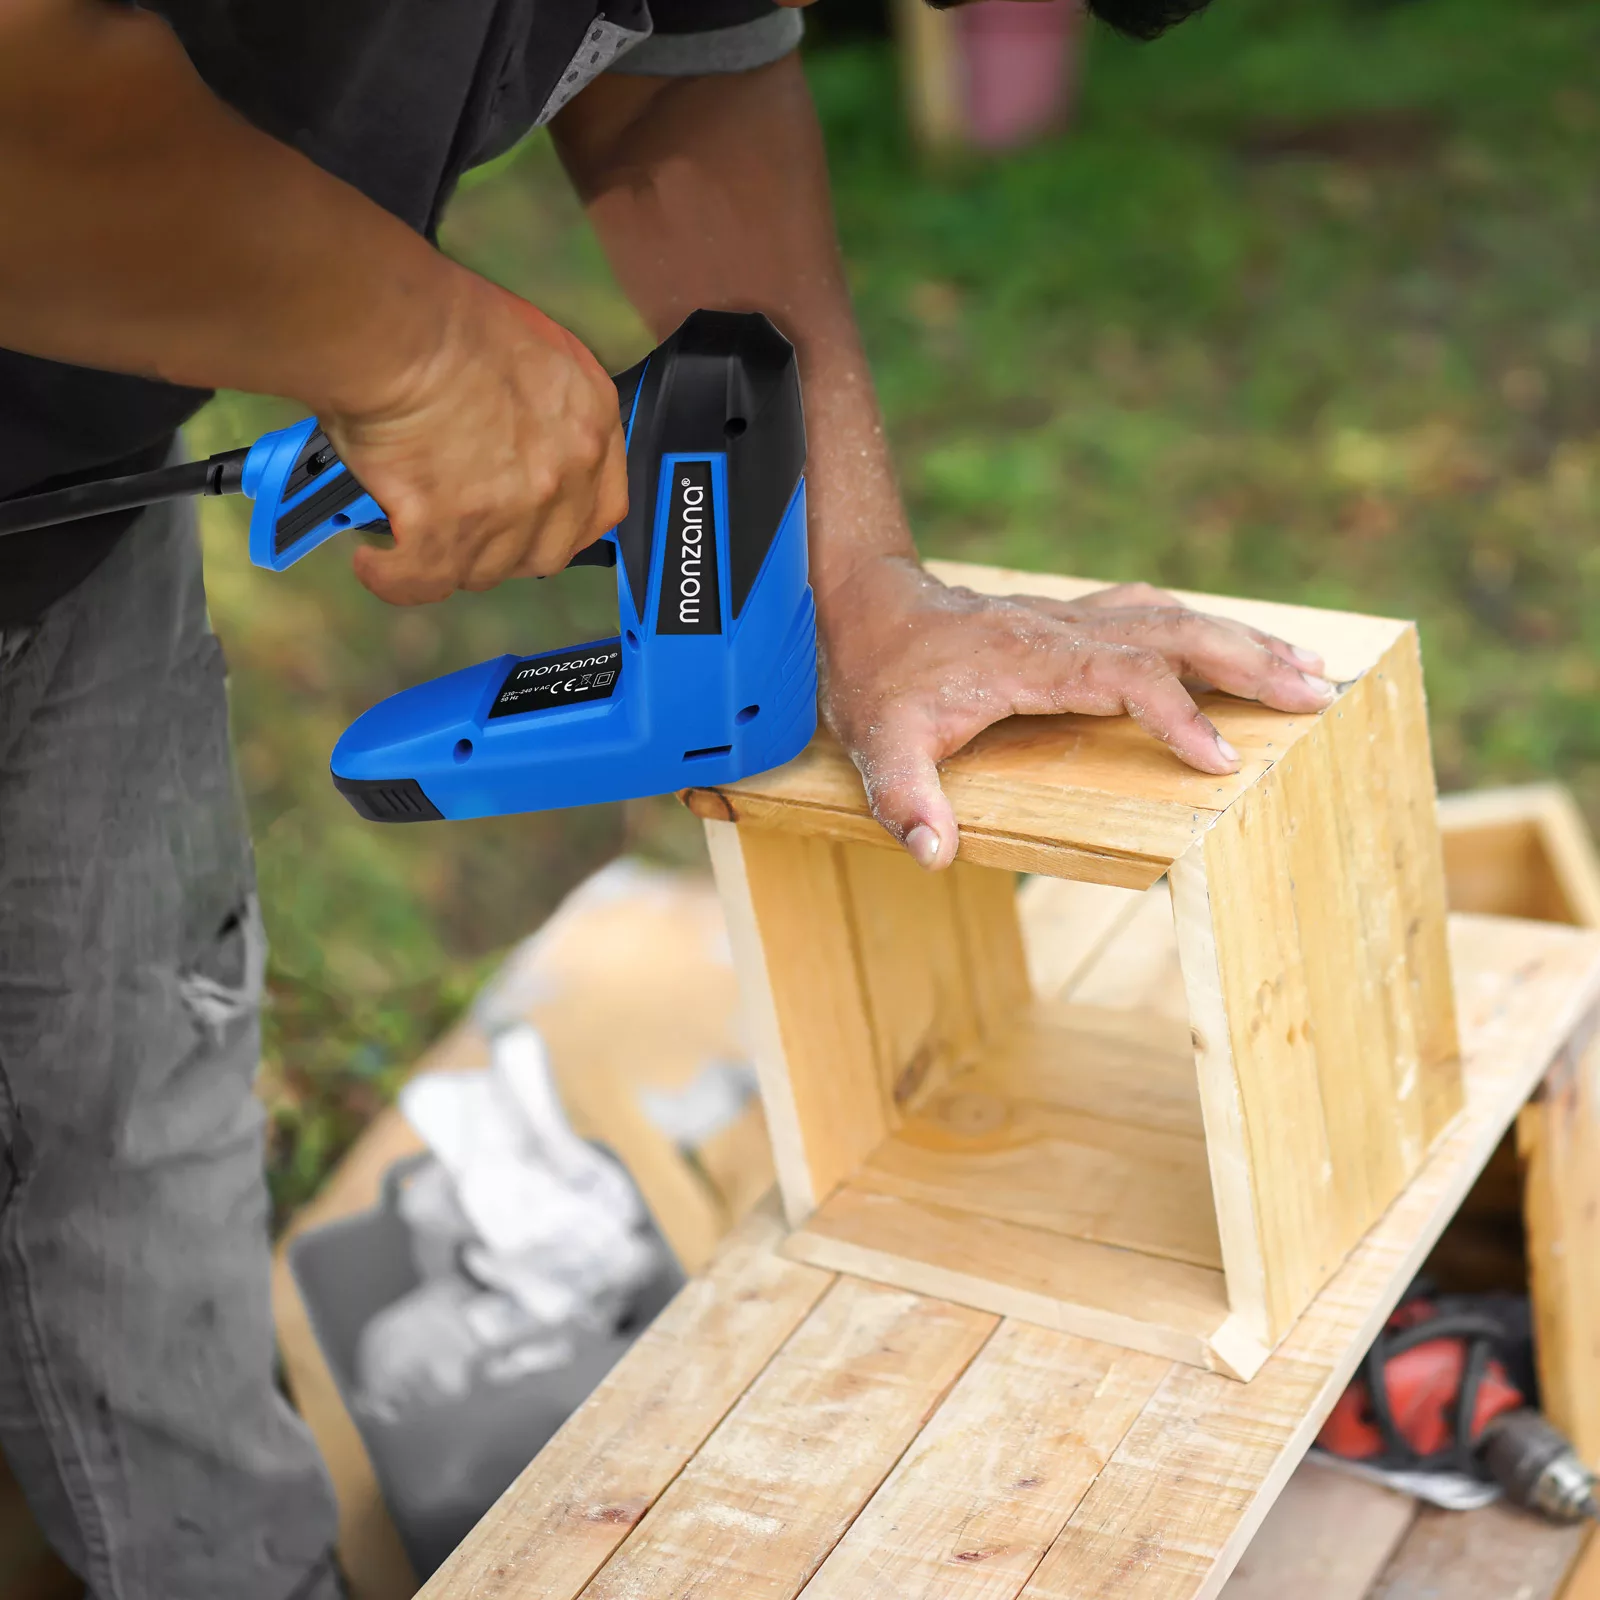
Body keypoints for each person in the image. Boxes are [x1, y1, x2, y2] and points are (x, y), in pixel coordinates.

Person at [0, 0, 1337, 1593]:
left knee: (124, 1139)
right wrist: (416, 349)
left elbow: (666, 87)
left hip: (55, 499)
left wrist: (855, 584)